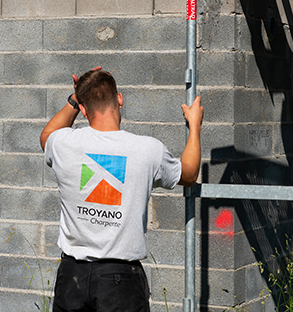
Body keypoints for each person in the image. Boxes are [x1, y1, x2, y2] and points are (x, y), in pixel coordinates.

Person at [40, 68, 203, 312]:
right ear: (119, 99)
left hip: (71, 277)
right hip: (120, 280)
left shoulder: (63, 143)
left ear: (83, 110)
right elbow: (189, 174)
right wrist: (194, 126)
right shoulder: (148, 149)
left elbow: (46, 135)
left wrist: (74, 99)